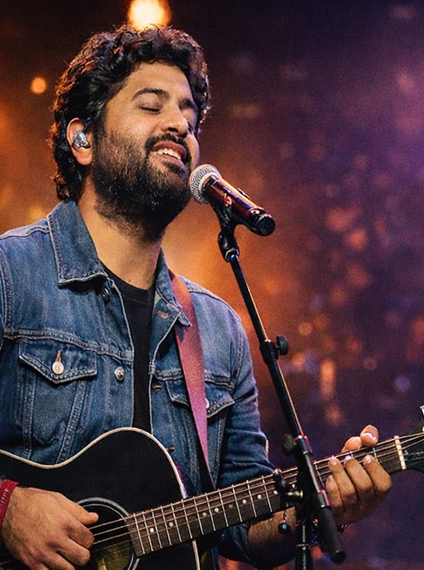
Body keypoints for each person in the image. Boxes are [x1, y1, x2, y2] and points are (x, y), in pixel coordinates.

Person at [0, 25, 391, 569]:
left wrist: (322, 507)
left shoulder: (219, 329)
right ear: (83, 139)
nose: (179, 124)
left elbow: (243, 523)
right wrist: (7, 507)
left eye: (188, 112)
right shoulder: (11, 274)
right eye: (151, 104)